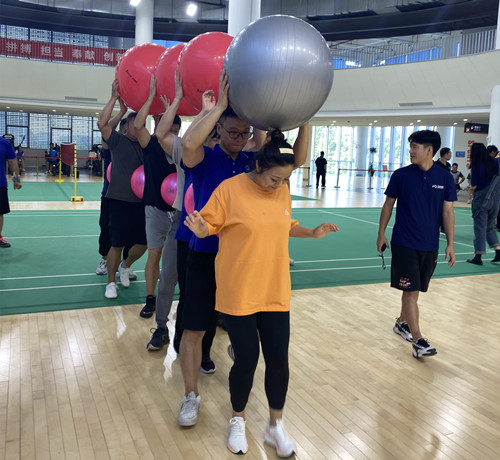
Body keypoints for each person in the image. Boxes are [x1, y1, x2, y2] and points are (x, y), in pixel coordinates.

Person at [184, 131, 339, 456]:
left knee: (279, 360)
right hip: (239, 292)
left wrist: (312, 233)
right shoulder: (230, 190)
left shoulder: (282, 192)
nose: (279, 185)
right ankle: (238, 419)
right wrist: (202, 228)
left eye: (285, 180)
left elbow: (286, 224)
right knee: (247, 359)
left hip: (275, 290)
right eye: (274, 178)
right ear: (258, 166)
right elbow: (209, 223)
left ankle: (275, 426)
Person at [176, 70, 308, 429]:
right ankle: (190, 395)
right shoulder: (205, 158)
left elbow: (294, 159)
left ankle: (241, 350)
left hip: (245, 263)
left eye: (245, 133)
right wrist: (218, 107)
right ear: (218, 130)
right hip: (205, 254)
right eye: (233, 132)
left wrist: (304, 116)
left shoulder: (256, 163)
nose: (239, 138)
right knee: (194, 328)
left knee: (256, 334)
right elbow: (188, 143)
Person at [377, 130, 456, 359]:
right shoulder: (401, 175)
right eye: (410, 146)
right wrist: (381, 234)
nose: (410, 151)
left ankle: (402, 322)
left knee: (416, 288)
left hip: (430, 244)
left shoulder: (445, 178)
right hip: (404, 242)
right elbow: (388, 205)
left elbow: (448, 212)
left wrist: (450, 244)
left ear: (429, 150)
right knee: (410, 291)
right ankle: (418, 341)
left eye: (415, 147)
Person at [133, 74, 183, 351]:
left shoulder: (183, 148)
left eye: (174, 125)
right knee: (155, 256)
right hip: (155, 207)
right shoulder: (150, 144)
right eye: (165, 123)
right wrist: (151, 96)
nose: (170, 129)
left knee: (175, 266)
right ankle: (151, 299)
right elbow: (137, 125)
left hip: (179, 212)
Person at [97, 80, 147, 299]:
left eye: (142, 123)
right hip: (118, 201)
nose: (138, 126)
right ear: (126, 126)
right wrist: (115, 101)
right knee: (116, 244)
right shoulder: (117, 141)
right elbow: (102, 123)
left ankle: (125, 265)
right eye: (134, 123)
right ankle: (111, 283)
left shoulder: (148, 145)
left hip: (142, 203)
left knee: (144, 242)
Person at [95, 112, 134, 279]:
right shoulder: (112, 145)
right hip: (110, 196)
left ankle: (125, 265)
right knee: (107, 230)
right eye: (125, 128)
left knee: (130, 234)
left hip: (132, 197)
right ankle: (105, 259)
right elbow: (106, 127)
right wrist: (122, 112)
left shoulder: (137, 146)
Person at [466, 142, 500, 265]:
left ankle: (478, 256)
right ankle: (498, 250)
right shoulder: (495, 162)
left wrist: (471, 188)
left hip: (482, 200)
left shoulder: (476, 166)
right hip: (496, 200)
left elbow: (474, 183)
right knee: (489, 226)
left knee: (479, 228)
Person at [0, 135, 22, 248]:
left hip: (0, 183)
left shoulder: (4, 143)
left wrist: (16, 180)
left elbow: (13, 161)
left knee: (0, 212)